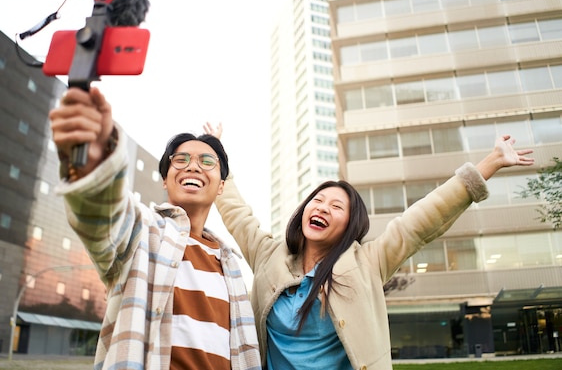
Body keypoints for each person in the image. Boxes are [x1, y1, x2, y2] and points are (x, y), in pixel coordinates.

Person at [205, 123, 534, 370]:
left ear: (349, 226)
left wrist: (489, 164)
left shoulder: (367, 262)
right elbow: (237, 215)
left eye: (336, 207)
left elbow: (420, 221)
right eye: (317, 201)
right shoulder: (269, 255)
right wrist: (219, 160)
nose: (321, 208)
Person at [49, 87, 260, 370]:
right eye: (181, 160)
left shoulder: (230, 263)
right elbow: (102, 214)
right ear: (165, 179)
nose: (193, 166)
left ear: (222, 185)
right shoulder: (144, 232)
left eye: (207, 161)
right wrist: (92, 159)